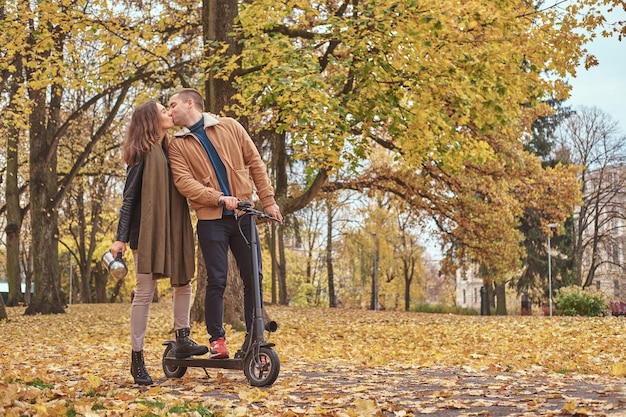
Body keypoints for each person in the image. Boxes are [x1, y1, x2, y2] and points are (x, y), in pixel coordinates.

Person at [167, 88, 283, 359]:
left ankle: (254, 336)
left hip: (244, 217)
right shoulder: (178, 145)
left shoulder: (229, 126)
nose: (169, 111)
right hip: (211, 220)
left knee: (254, 278)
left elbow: (255, 162)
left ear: (189, 103)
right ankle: (217, 339)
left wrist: (268, 201)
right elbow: (184, 183)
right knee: (217, 280)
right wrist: (218, 198)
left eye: (172, 105)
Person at [110, 100, 209, 385]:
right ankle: (137, 358)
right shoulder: (141, 153)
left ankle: (182, 339)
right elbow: (129, 199)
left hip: (174, 228)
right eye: (162, 110)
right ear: (151, 120)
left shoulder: (172, 150)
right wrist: (121, 238)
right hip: (149, 232)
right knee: (145, 292)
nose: (168, 112)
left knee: (183, 282)